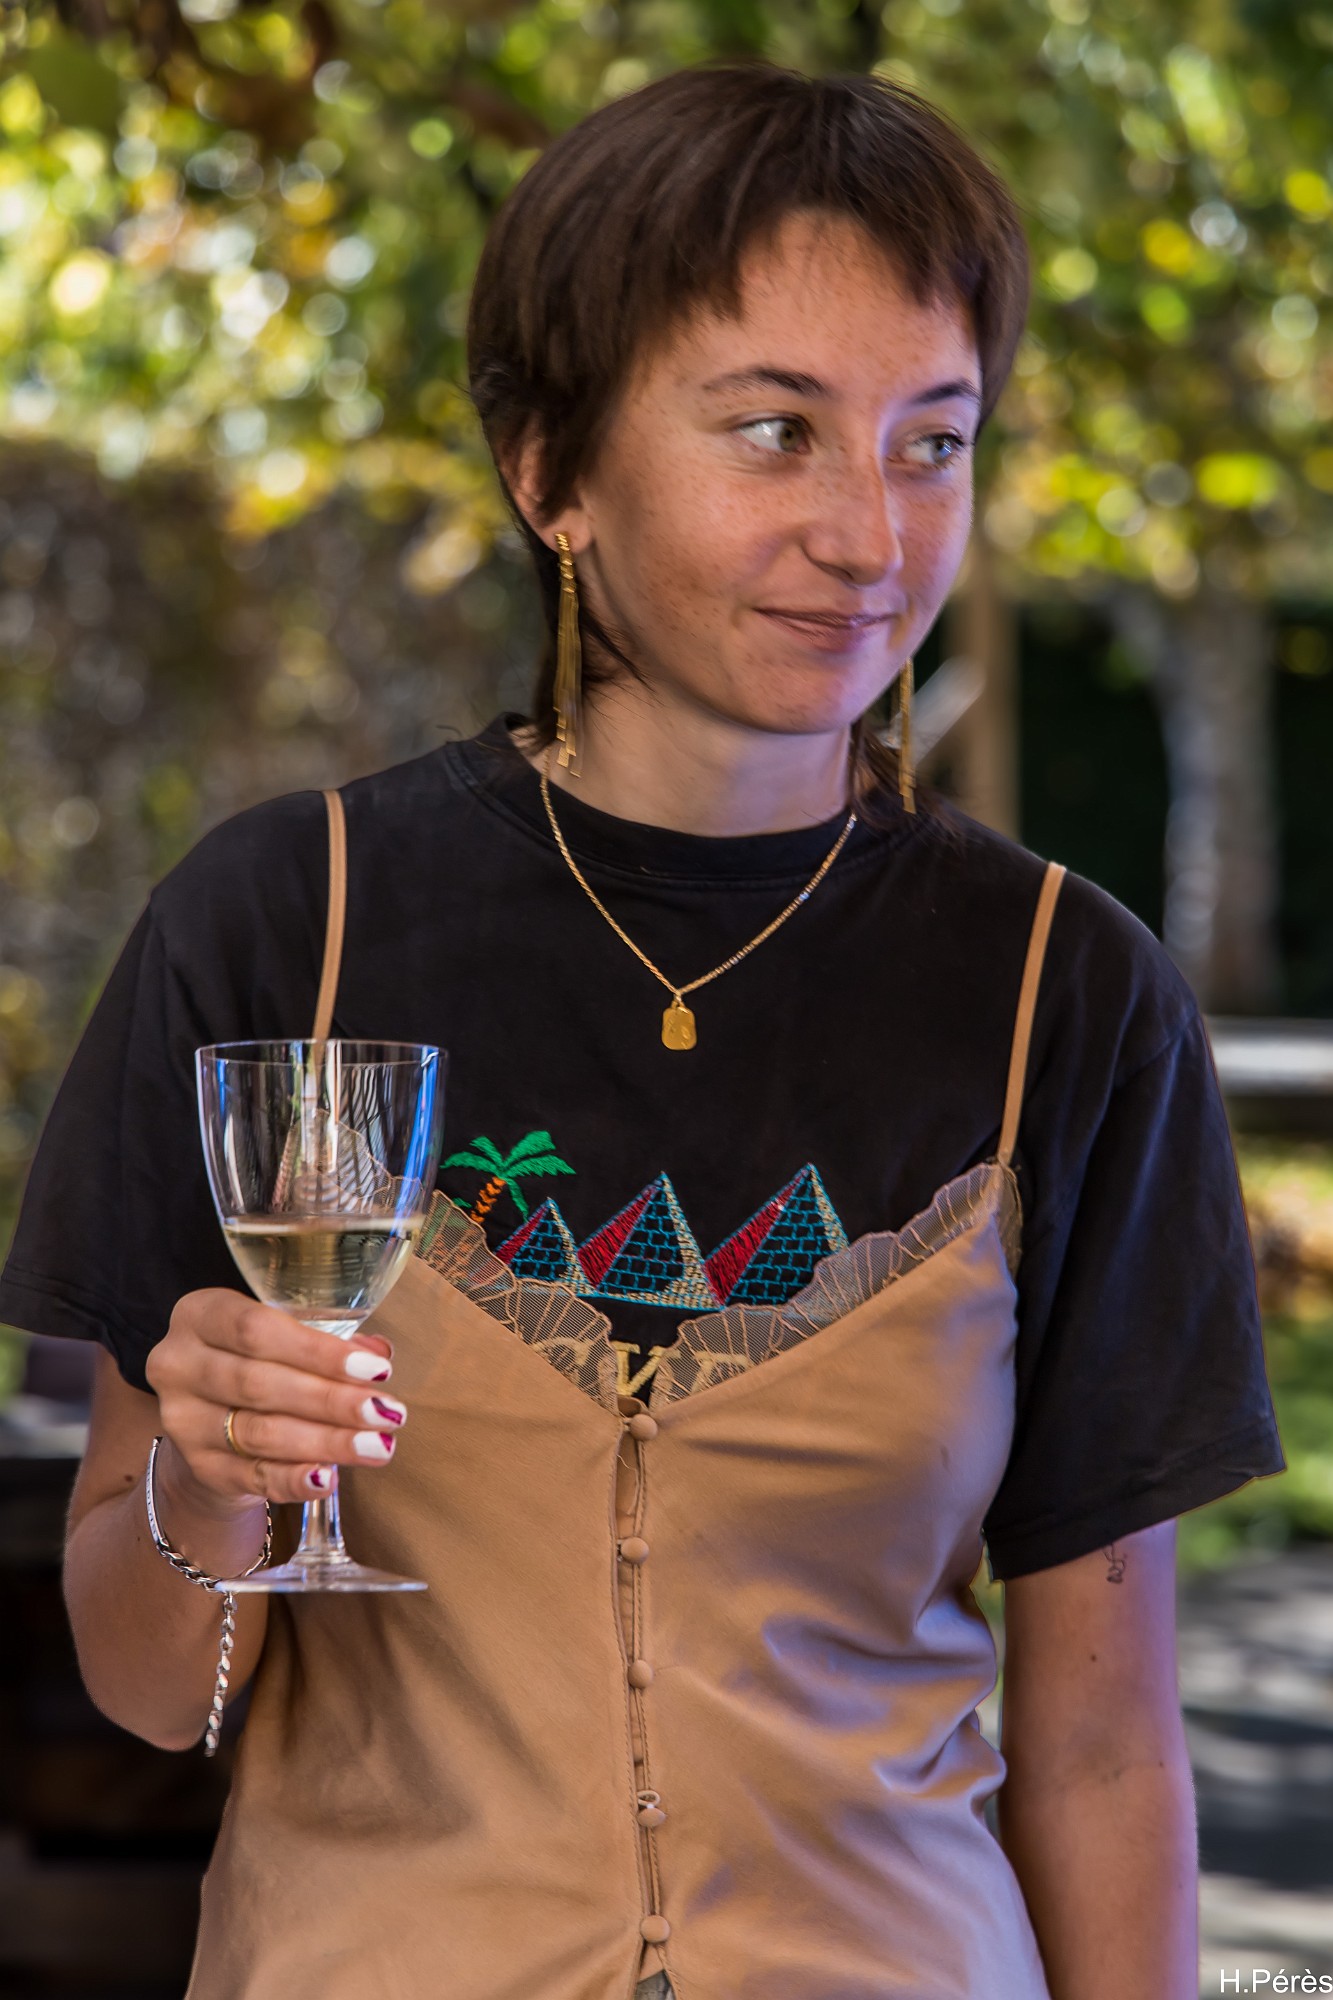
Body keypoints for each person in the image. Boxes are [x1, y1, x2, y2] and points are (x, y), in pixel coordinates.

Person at [0, 60, 1285, 2000]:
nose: (871, 535)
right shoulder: (286, 926)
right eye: (775, 431)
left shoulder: (1065, 991)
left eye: (932, 442)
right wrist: (208, 1482)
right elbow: (146, 1686)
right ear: (553, 473)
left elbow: (1103, 1745)